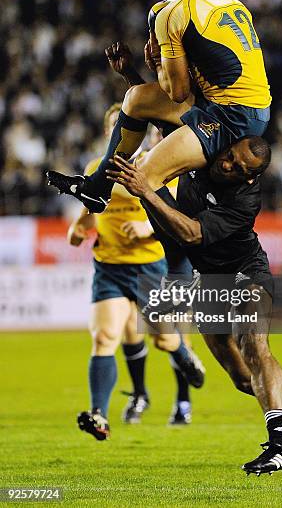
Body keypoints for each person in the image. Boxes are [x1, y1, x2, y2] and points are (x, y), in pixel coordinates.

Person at [105, 139, 282, 477]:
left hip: (246, 274)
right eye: (229, 158)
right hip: (208, 281)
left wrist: (147, 191)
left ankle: (281, 446)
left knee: (255, 347)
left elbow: (192, 234)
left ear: (251, 178)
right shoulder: (203, 153)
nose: (228, 166)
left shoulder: (245, 200)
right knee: (243, 378)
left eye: (240, 169)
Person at [46, 0, 272, 215]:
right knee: (137, 98)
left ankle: (184, 245)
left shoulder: (172, 13)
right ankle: (96, 189)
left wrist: (155, 64)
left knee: (143, 177)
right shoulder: (227, 0)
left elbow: (177, 93)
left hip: (231, 117)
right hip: (246, 107)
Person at [68, 104, 204, 441]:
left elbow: (175, 214)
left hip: (148, 266)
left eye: (129, 127)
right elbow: (91, 210)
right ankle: (98, 415)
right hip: (110, 268)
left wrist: (145, 227)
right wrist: (78, 226)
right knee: (104, 338)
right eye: (117, 127)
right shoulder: (95, 168)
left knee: (163, 338)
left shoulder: (156, 166)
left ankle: (183, 353)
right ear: (108, 133)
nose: (124, 133)